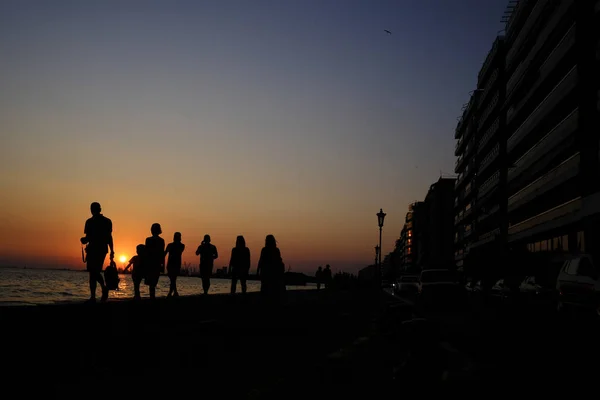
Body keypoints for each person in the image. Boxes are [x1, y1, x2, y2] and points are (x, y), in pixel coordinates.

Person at [80, 202, 114, 303]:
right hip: (101, 249)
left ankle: (98, 292)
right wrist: (112, 250)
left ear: (92, 210)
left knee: (93, 272)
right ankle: (95, 295)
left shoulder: (90, 222)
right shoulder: (107, 221)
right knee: (94, 272)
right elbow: (109, 237)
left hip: (96, 249)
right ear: (100, 209)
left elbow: (88, 238)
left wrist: (83, 240)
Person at [257, 234, 285, 301]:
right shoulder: (276, 250)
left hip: (266, 271)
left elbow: (260, 260)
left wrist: (258, 271)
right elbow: (279, 260)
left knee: (265, 287)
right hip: (273, 272)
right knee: (272, 287)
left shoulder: (264, 250)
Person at [145, 223, 165, 300]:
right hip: (157, 263)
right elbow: (162, 254)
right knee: (154, 282)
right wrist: (162, 265)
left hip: (150, 263)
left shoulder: (148, 240)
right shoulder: (161, 240)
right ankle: (152, 297)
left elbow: (146, 253)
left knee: (151, 283)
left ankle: (151, 297)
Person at [165, 232, 185, 297]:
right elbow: (165, 253)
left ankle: (173, 292)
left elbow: (165, 253)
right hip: (173, 263)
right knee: (173, 279)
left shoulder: (180, 245)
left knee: (173, 279)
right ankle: (173, 292)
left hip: (174, 263)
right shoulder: (180, 245)